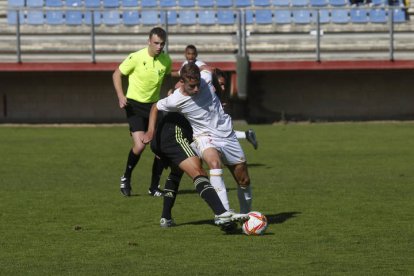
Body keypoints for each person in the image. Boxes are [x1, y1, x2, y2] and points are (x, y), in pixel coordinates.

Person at [144, 63, 253, 214]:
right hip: (204, 136)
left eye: (198, 84)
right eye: (192, 86)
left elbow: (211, 71)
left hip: (227, 134)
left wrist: (220, 96)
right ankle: (224, 213)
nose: (197, 89)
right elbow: (155, 106)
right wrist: (150, 131)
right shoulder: (175, 100)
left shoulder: (206, 78)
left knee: (244, 181)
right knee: (214, 164)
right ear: (182, 82)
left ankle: (246, 215)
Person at [149, 111, 248, 230]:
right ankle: (221, 213)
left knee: (176, 171)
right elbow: (157, 106)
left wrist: (151, 131)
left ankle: (166, 218)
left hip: (162, 134)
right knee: (198, 172)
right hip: (175, 133)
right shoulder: (191, 96)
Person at [112, 27, 172, 197]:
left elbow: (168, 76)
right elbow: (116, 74)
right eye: (156, 43)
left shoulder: (166, 60)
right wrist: (120, 95)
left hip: (154, 106)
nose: (159, 47)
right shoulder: (136, 57)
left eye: (162, 43)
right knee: (139, 146)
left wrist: (169, 90)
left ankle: (153, 187)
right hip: (134, 106)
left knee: (160, 148)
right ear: (149, 42)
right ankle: (126, 177)